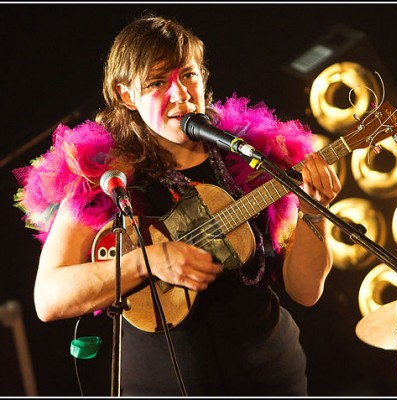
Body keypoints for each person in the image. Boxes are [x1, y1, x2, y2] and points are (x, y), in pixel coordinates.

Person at [13, 12, 341, 396]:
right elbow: (48, 298)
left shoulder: (249, 158)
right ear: (126, 95)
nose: (181, 95)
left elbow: (305, 291)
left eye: (188, 75)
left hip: (274, 378)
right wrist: (147, 262)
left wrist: (315, 212)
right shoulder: (107, 177)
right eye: (156, 82)